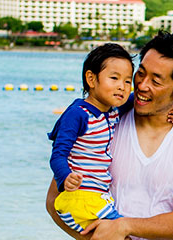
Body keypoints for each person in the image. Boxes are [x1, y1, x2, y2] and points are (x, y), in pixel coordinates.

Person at [48, 32, 173, 240]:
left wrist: (124, 226)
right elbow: (54, 199)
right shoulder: (104, 123)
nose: (141, 86)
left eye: (156, 81)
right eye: (141, 73)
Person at [46, 43, 137, 233]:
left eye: (128, 81)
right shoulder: (78, 114)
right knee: (125, 232)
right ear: (91, 79)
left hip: (96, 198)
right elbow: (58, 155)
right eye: (114, 78)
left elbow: (139, 99)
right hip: (80, 197)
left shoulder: (110, 112)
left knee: (122, 233)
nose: (122, 87)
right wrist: (66, 177)